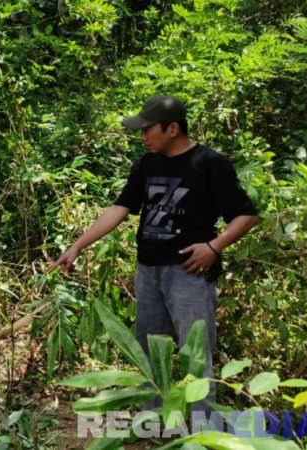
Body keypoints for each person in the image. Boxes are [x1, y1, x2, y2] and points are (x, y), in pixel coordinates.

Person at [50, 95, 258, 411]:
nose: (143, 137)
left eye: (148, 130)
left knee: (195, 356)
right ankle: (152, 421)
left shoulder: (209, 164)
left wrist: (214, 247)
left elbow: (246, 216)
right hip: (148, 271)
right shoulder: (147, 165)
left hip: (189, 273)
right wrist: (77, 245)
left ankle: (200, 433)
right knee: (149, 352)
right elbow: (120, 208)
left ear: (172, 128)